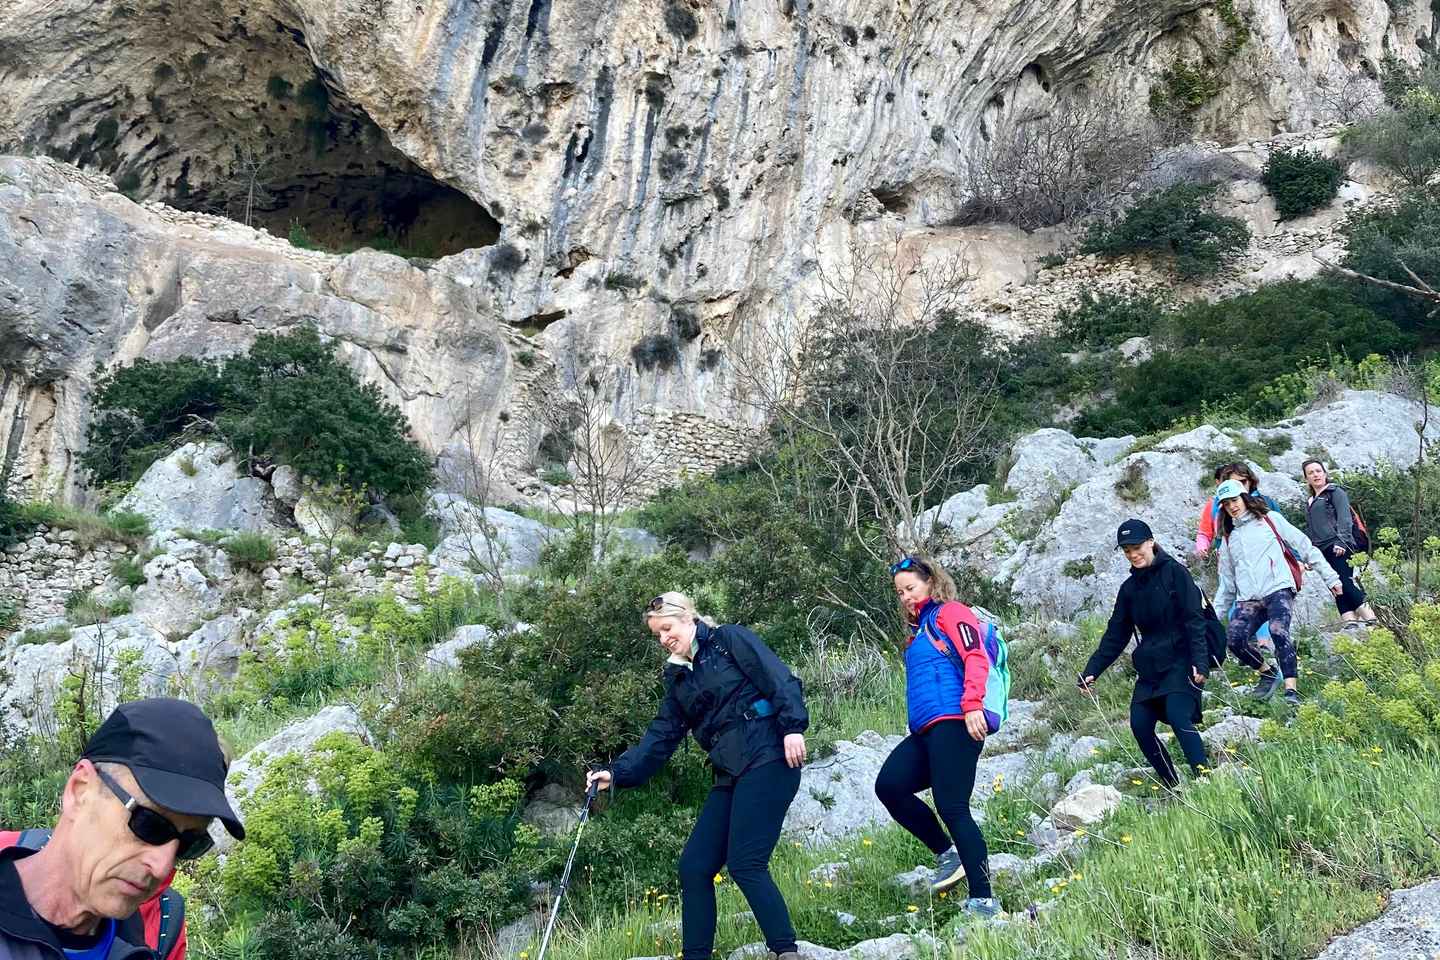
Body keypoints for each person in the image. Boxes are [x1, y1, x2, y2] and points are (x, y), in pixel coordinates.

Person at [586, 593, 809, 960]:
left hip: (769, 757)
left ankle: (785, 952)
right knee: (694, 866)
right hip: (730, 772)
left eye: (667, 629)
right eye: (658, 634)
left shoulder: (728, 640)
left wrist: (793, 727)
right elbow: (660, 737)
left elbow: (778, 678)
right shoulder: (677, 678)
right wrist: (616, 774)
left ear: (687, 618)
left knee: (745, 863)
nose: (663, 639)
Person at [1, 698, 245, 960]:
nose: (163, 867)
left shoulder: (153, 940)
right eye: (149, 824)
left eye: (189, 844)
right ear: (80, 791)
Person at [875, 555, 1001, 920]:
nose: (905, 597)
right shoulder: (919, 631)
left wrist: (973, 704)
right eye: (900, 593)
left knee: (952, 806)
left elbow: (975, 656)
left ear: (930, 581)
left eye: (910, 588)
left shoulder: (951, 613)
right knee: (890, 786)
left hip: (957, 721)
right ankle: (948, 855)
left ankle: (984, 900)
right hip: (926, 730)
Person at [1078, 520, 1211, 788]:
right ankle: (1173, 786)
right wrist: (1092, 670)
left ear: (1151, 542)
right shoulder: (1129, 589)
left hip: (1181, 660)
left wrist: (1200, 661)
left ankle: (1206, 781)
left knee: (1178, 715)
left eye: (1137, 547)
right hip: (1150, 669)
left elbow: (1195, 619)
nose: (1133, 554)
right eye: (1127, 550)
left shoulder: (1175, 573)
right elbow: (1116, 634)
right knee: (1139, 725)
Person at [1213, 479, 1342, 706]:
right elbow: (1227, 584)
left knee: (1278, 630)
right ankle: (1268, 672)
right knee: (1234, 639)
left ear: (1245, 498)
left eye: (1234, 500)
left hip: (1278, 588)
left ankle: (1291, 692)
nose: (1232, 506)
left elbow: (1304, 546)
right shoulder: (1228, 538)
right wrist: (1213, 617)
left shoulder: (1270, 519)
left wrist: (1330, 577)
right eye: (1226, 503)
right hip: (1248, 598)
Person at [1302, 459, 1378, 628]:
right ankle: (1350, 623)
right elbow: (1312, 529)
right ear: (1306, 479)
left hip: (1338, 545)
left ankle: (1372, 619)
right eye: (1311, 473)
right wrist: (1310, 555)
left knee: (1344, 582)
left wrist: (1342, 542)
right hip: (1322, 549)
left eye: (1318, 471)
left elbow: (1345, 518)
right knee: (1335, 585)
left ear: (1325, 473)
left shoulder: (1335, 492)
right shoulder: (1310, 501)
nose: (1315, 475)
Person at [1194, 463, 1280, 557]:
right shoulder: (1215, 507)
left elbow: (1285, 536)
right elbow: (1204, 533)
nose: (1239, 486)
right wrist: (1202, 549)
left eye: (1243, 481)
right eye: (1234, 483)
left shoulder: (1267, 503)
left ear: (1250, 481)